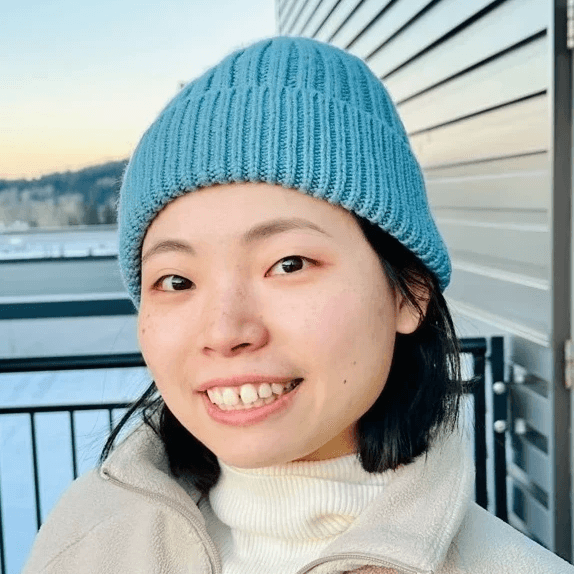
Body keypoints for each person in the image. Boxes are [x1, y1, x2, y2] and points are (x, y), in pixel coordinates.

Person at [23, 36, 573, 574]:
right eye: (175, 280)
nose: (224, 330)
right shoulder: (84, 540)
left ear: (409, 291)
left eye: (288, 264)